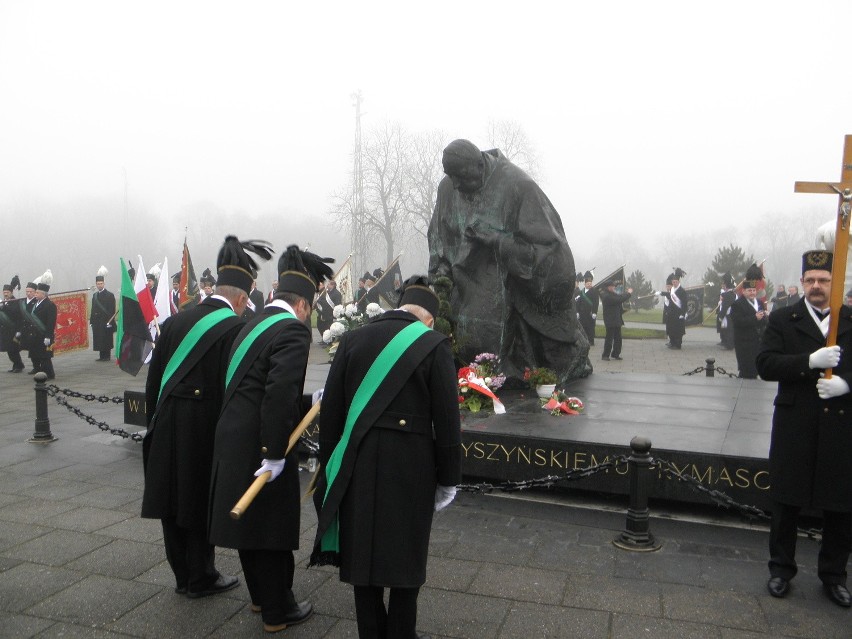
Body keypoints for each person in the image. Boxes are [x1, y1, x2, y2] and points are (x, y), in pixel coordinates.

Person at [311, 275, 462, 639]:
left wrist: (331, 468)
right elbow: (447, 422)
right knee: (406, 561)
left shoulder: (351, 338)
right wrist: (449, 479)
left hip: (356, 466)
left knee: (362, 558)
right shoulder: (433, 344)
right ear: (429, 319)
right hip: (411, 469)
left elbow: (331, 415)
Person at [208, 245, 333, 633]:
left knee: (252, 527)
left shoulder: (252, 323)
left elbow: (258, 388)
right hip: (264, 442)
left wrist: (309, 400)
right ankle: (280, 610)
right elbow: (276, 396)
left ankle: (261, 599)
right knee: (274, 530)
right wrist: (275, 453)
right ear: (304, 306)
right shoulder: (293, 330)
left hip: (233, 438)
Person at [141, 236, 272, 599]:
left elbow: (154, 384)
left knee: (171, 500)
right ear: (243, 298)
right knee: (197, 500)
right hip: (205, 431)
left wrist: (155, 425)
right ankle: (201, 576)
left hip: (166, 424)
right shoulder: (235, 329)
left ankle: (183, 575)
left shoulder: (175, 323)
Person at [428, 138, 590, 384]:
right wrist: (440, 275)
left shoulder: (519, 186)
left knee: (490, 345)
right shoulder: (448, 187)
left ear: (480, 166)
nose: (457, 185)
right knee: (460, 341)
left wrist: (498, 240)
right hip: (460, 286)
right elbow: (438, 237)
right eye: (452, 178)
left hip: (509, 286)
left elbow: (552, 252)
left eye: (462, 177)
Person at [756, 249, 852, 608]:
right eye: (810, 280)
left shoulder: (851, 319)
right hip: (796, 423)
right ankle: (781, 569)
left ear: (835, 283)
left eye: (824, 280)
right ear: (802, 282)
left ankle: (834, 576)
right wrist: (808, 362)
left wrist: (847, 384)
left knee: (841, 506)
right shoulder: (784, 318)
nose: (816, 286)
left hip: (841, 426)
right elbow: (765, 363)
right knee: (786, 502)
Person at [730, 276, 768, 379]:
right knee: (746, 368)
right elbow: (737, 322)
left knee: (756, 367)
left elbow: (762, 321)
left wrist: (764, 317)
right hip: (744, 342)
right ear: (743, 291)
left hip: (757, 341)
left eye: (754, 290)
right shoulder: (737, 304)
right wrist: (754, 318)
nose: (752, 293)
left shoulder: (759, 302)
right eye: (749, 290)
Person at [21, 273, 57, 379]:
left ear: (43, 294)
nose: (35, 294)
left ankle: (50, 374)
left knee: (45, 356)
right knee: (36, 354)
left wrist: (48, 336)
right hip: (35, 335)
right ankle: (38, 370)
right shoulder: (36, 303)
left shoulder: (50, 305)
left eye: (37, 292)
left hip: (43, 334)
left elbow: (51, 322)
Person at [599, 279, 632, 361]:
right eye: (613, 286)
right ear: (608, 287)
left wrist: (626, 294)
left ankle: (615, 354)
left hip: (617, 319)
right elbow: (619, 299)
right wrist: (628, 293)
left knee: (618, 338)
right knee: (609, 338)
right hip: (610, 320)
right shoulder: (606, 295)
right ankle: (605, 355)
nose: (614, 287)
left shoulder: (612, 293)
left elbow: (620, 297)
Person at [90, 267, 116, 361]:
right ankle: (101, 356)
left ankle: (107, 356)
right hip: (97, 321)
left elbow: (112, 309)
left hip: (106, 320)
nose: (99, 285)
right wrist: (92, 320)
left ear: (104, 284)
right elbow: (93, 309)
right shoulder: (95, 295)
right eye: (98, 284)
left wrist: (110, 322)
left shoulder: (110, 295)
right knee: (99, 338)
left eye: (101, 284)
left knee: (106, 338)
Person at [0, 276, 25, 373]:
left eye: (7, 292)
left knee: (13, 349)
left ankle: (19, 365)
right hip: (5, 330)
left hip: (13, 330)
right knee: (9, 350)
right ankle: (16, 365)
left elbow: (15, 314)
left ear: (11, 293)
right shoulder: (4, 303)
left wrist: (3, 308)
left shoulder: (15, 302)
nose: (5, 294)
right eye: (4, 292)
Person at [661, 268, 687, 349]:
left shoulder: (682, 291)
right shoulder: (672, 290)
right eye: (673, 282)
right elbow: (669, 296)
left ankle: (678, 344)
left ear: (678, 282)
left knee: (678, 330)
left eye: (675, 282)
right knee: (671, 329)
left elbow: (684, 303)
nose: (674, 283)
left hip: (678, 314)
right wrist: (661, 293)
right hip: (671, 313)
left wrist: (683, 313)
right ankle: (672, 343)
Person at [575, 271, 599, 346]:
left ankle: (591, 340)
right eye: (588, 284)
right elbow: (578, 303)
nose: (589, 285)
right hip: (582, 313)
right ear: (585, 284)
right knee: (583, 327)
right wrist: (577, 312)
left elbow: (596, 303)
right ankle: (584, 340)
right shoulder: (581, 292)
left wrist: (594, 312)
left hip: (590, 313)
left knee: (590, 327)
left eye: (590, 284)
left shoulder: (594, 291)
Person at [716, 272, 736, 350]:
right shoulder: (732, 294)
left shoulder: (727, 295)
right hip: (730, 315)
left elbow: (725, 307)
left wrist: (721, 316)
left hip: (728, 315)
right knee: (728, 330)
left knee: (729, 330)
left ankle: (729, 345)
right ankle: (728, 343)